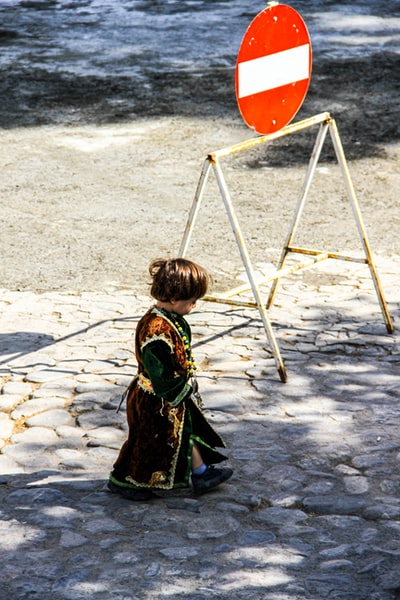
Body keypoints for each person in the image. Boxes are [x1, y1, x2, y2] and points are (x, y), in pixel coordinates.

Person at [108, 257, 233, 501]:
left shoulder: (169, 319)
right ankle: (128, 482)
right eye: (192, 301)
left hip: (167, 398)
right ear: (174, 299)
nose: (194, 306)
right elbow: (160, 373)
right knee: (149, 443)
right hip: (156, 400)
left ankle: (201, 473)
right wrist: (180, 388)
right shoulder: (157, 331)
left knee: (183, 433)